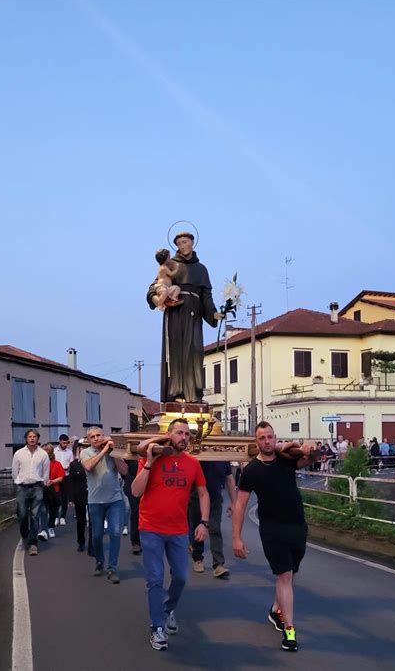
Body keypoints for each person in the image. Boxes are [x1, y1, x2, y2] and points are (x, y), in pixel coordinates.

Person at [232, 421, 319, 653]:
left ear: (274, 438)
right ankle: (290, 630)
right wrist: (236, 538)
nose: (267, 441)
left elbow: (309, 459)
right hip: (272, 529)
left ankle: (275, 609)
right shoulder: (251, 470)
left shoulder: (286, 459)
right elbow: (240, 505)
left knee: (290, 574)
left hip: (297, 526)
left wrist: (310, 448)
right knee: (284, 575)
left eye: (270, 437)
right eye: (262, 438)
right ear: (256, 441)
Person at [131, 418, 210, 651]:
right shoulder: (150, 458)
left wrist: (203, 522)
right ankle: (157, 628)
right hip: (150, 528)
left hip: (178, 530)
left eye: (187, 434)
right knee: (155, 579)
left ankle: (166, 610)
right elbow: (136, 491)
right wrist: (148, 462)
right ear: (169, 435)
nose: (183, 438)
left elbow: (203, 493)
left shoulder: (192, 463)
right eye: (179, 433)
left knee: (181, 578)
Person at [146, 231, 223, 403]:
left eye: (185, 241)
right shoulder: (171, 264)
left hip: (194, 314)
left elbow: (206, 296)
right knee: (177, 351)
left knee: (195, 351)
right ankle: (177, 392)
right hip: (175, 312)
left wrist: (213, 313)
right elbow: (155, 285)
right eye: (179, 243)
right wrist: (156, 297)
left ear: (192, 242)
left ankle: (195, 393)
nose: (182, 245)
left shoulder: (202, 269)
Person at [81, 427, 128, 583]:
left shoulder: (112, 451)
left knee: (115, 533)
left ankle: (112, 568)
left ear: (103, 435)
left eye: (98, 435)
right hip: (95, 501)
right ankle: (99, 560)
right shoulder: (85, 453)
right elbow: (88, 467)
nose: (96, 438)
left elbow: (125, 471)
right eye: (92, 437)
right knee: (97, 535)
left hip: (115, 500)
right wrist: (104, 451)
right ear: (88, 440)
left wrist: (113, 453)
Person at [189, 462, 237, 578]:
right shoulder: (199, 457)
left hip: (215, 500)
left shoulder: (223, 459)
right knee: (197, 529)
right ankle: (197, 558)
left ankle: (218, 565)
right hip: (196, 499)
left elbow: (229, 480)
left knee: (215, 529)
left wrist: (234, 502)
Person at [11, 429, 50, 556]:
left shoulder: (43, 454)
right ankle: (25, 536)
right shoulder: (19, 453)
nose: (32, 438)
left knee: (35, 516)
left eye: (34, 436)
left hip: (37, 487)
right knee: (22, 514)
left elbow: (45, 471)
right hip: (22, 487)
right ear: (26, 439)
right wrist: (18, 481)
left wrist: (43, 483)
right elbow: (14, 470)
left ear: (38, 438)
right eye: (30, 436)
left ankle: (33, 543)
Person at [70, 440, 94, 554]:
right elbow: (72, 482)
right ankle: (81, 541)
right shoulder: (74, 464)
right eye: (81, 448)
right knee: (80, 520)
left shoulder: (94, 462)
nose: (84, 450)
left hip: (93, 494)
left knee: (93, 521)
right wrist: (71, 498)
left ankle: (92, 544)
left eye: (86, 447)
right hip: (79, 495)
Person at [42, 444, 65, 538]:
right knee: (43, 510)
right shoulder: (40, 464)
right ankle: (43, 529)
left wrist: (53, 481)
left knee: (53, 510)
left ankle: (50, 527)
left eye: (47, 450)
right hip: (42, 489)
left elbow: (61, 477)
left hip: (54, 490)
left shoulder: (57, 464)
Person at [54, 434, 74, 525]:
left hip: (66, 476)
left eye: (66, 443)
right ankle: (55, 516)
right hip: (56, 477)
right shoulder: (55, 451)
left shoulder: (69, 452)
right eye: (63, 442)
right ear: (60, 441)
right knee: (56, 497)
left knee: (64, 497)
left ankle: (62, 517)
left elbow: (71, 464)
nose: (65, 444)